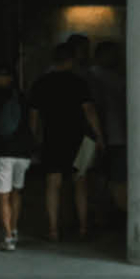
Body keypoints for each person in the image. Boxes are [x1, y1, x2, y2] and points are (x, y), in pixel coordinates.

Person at [29, 40, 103, 241]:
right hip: (77, 138)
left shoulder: (41, 83)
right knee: (80, 182)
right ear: (71, 60)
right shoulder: (78, 82)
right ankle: (83, 227)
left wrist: (33, 138)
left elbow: (33, 116)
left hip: (51, 138)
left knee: (53, 184)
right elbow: (89, 111)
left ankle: (53, 229)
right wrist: (99, 136)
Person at [0, 61, 37, 249]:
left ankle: (8, 237)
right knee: (16, 193)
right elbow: (33, 121)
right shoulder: (22, 97)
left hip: (2, 152)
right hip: (23, 152)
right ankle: (15, 229)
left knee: (3, 197)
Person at [87, 39, 129, 217]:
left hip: (111, 134)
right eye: (112, 54)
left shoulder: (101, 75)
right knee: (113, 176)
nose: (116, 57)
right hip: (110, 134)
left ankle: (106, 211)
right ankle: (115, 211)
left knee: (103, 176)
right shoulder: (99, 75)